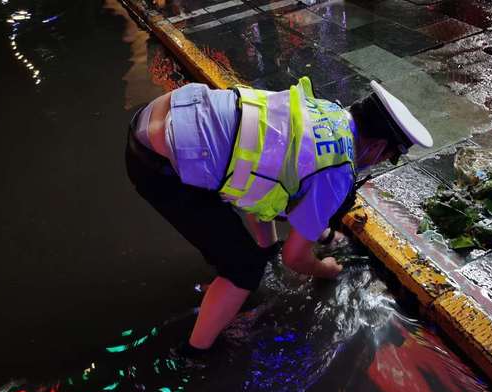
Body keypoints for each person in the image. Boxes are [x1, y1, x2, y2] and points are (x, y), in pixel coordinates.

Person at [125, 77, 432, 357]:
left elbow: (264, 179)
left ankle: (232, 280)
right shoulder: (337, 173)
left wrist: (271, 246)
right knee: (244, 269)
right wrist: (327, 269)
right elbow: (295, 258)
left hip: (162, 115)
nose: (380, 163)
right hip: (161, 166)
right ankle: (193, 354)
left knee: (242, 232)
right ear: (378, 146)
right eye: (387, 157)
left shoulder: (327, 111)